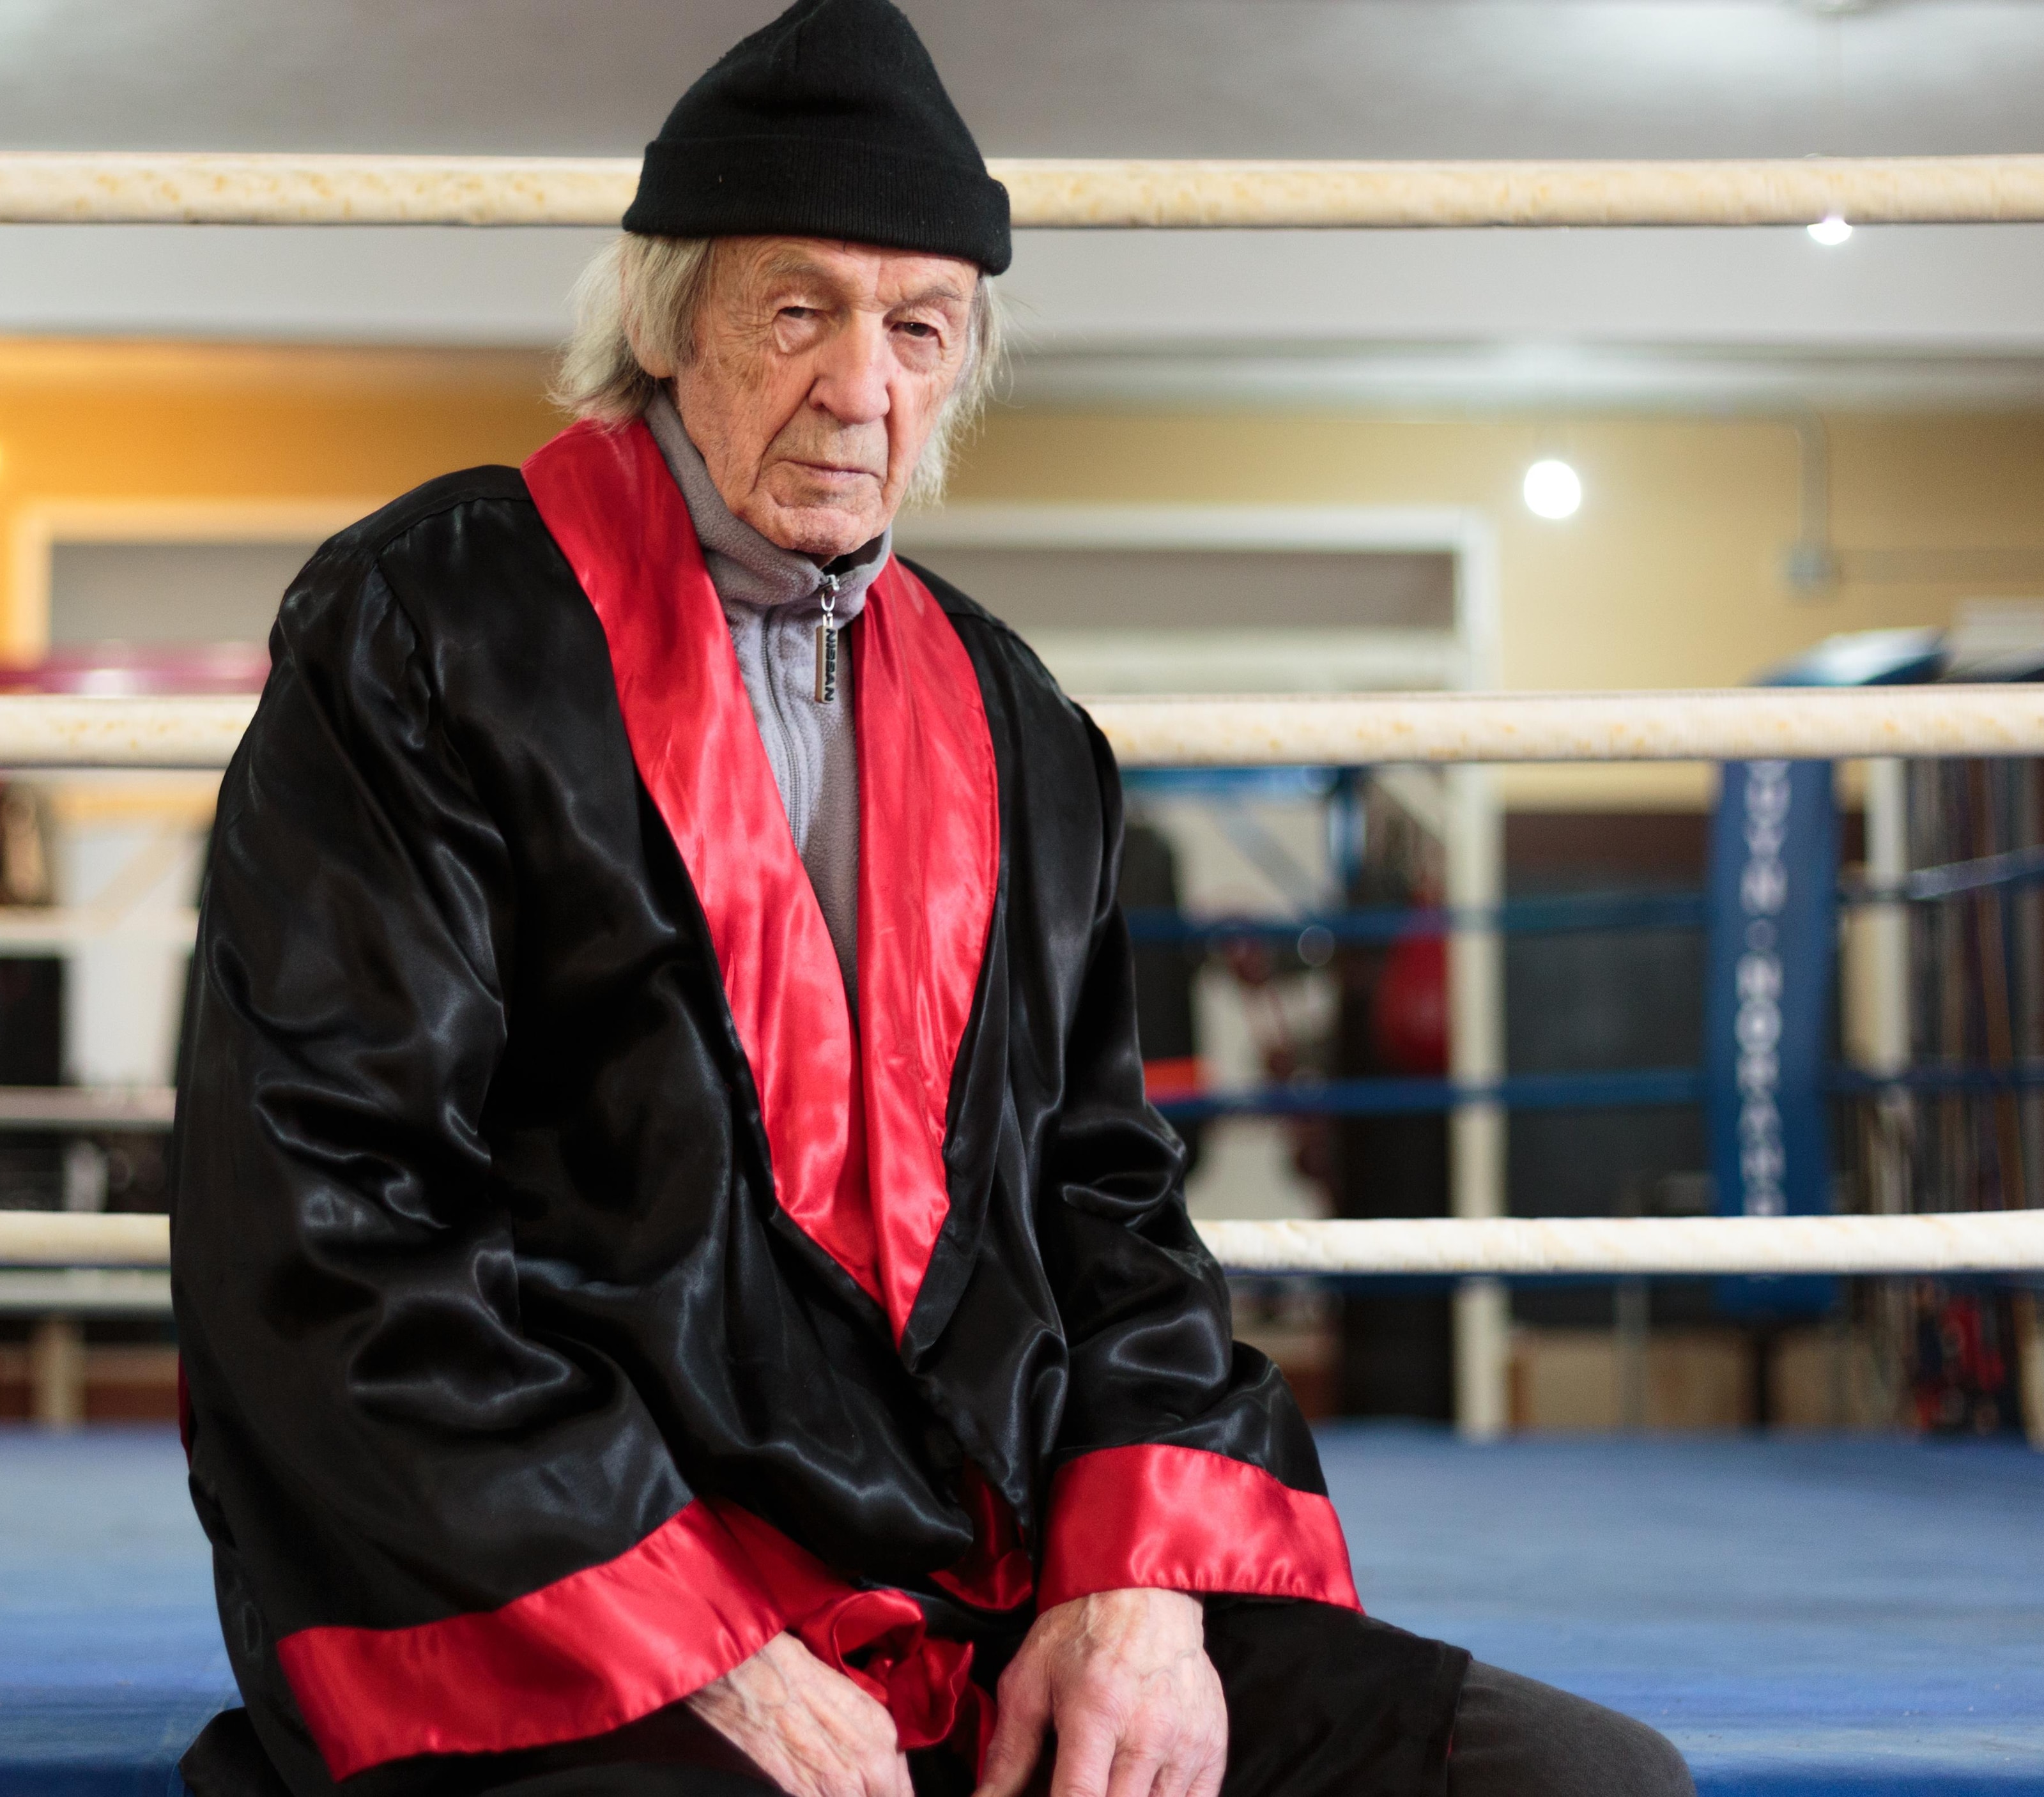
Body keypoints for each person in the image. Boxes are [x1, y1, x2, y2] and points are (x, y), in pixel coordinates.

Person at [173, 4, 1696, 1793]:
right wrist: (700, 1647)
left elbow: (1106, 1202)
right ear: (669, 324)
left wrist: (1134, 1585)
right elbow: (330, 1199)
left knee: (1581, 1785)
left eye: (919, 328)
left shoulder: (1020, 719)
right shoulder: (429, 631)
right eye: (798, 309)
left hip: (980, 1582)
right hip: (563, 1585)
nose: (860, 386)